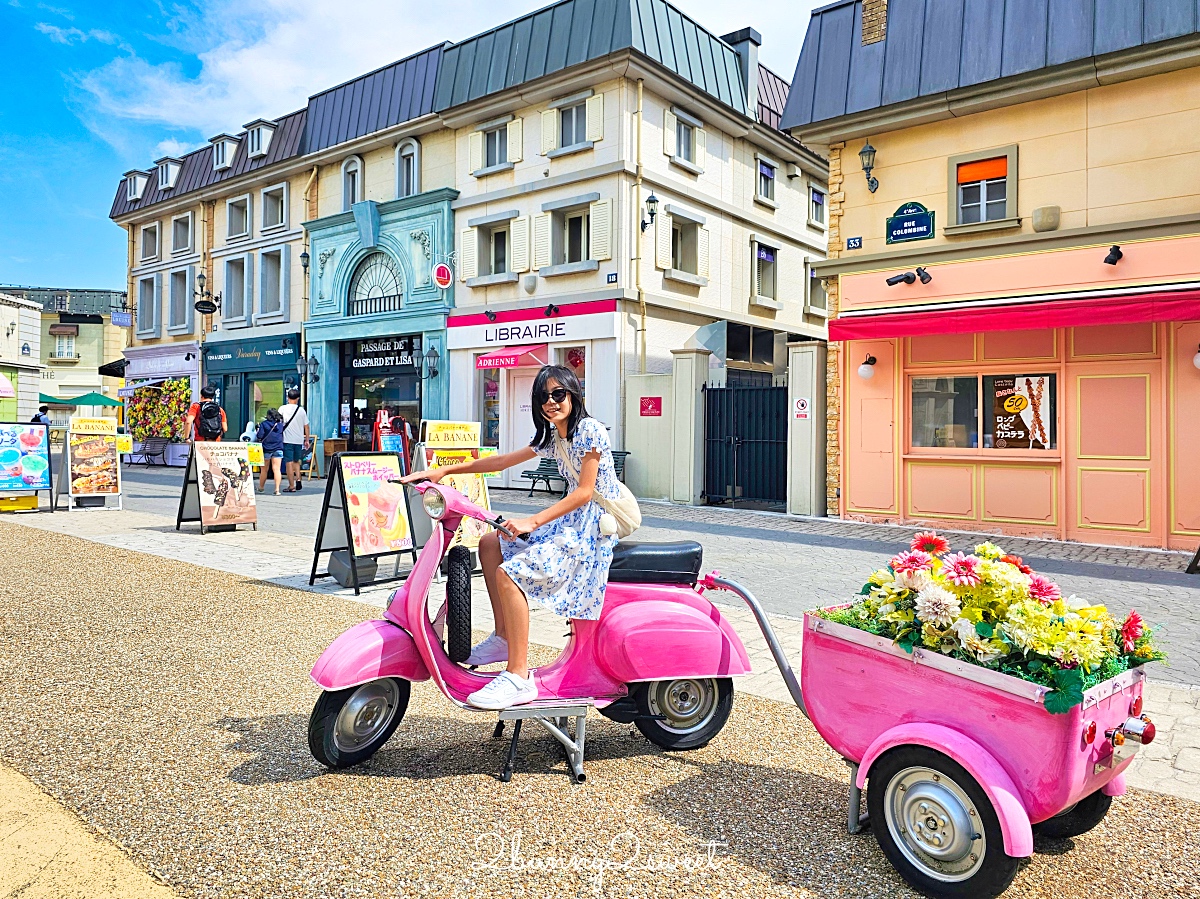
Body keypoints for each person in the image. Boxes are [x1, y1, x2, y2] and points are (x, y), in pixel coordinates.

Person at [400, 364, 620, 710]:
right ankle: (504, 637)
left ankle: (518, 676)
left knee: (510, 573)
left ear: (573, 394)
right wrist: (445, 469)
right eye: (543, 397)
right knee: (490, 543)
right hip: (569, 521)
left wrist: (532, 520)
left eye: (558, 394)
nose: (551, 402)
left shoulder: (589, 430)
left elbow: (584, 492)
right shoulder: (552, 435)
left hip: (591, 528)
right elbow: (501, 462)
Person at [278, 388, 310, 492]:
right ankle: (299, 479)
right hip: (298, 440)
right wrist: (307, 440)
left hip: (287, 440)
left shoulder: (282, 409)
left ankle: (291, 486)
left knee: (288, 463)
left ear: (288, 398)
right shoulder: (301, 410)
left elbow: (278, 423)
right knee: (296, 461)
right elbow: (307, 426)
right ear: (298, 398)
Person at [255, 410, 285, 495]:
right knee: (277, 469)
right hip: (278, 448)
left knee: (264, 470)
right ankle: (277, 489)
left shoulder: (264, 424)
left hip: (266, 448)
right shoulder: (280, 425)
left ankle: (261, 488)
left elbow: (259, 436)